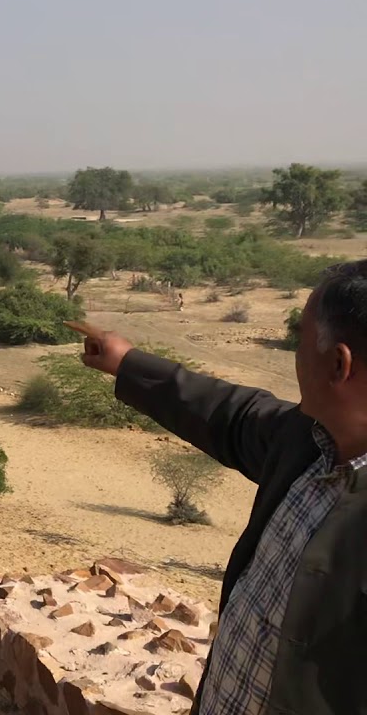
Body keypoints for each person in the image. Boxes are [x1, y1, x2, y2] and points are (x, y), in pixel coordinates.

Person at [74, 260, 367, 714]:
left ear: (338, 364)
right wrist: (128, 364)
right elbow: (230, 413)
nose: (295, 355)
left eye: (301, 341)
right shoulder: (309, 441)